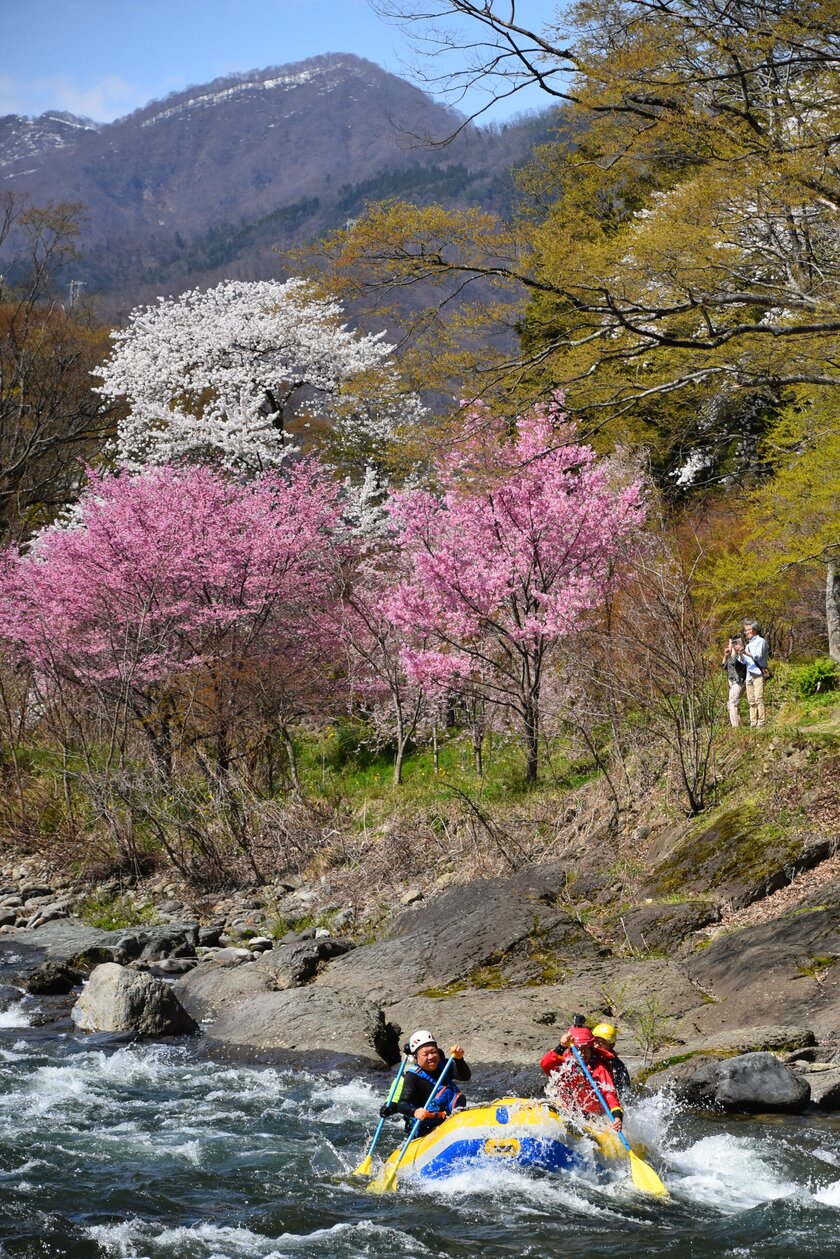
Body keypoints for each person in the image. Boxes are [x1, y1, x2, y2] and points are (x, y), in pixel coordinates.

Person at [380, 1029, 471, 1137]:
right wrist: (415, 1111)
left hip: (449, 1120)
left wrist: (459, 1059)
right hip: (425, 1131)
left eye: (433, 1052)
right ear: (416, 1057)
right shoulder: (412, 1077)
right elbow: (402, 1104)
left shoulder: (444, 1065)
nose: (431, 1057)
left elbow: (465, 1076)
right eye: (425, 1054)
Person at [540, 1021, 624, 1130]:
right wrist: (560, 1047)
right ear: (571, 1050)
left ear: (591, 1049)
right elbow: (546, 1065)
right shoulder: (566, 1060)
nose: (582, 1054)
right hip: (568, 1108)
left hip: (592, 1114)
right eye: (579, 1050)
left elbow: (608, 1093)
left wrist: (617, 1116)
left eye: (586, 1050)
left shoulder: (599, 1068)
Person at [592, 1022, 632, 1096]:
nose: (596, 1045)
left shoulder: (617, 1066)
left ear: (611, 1046)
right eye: (595, 1041)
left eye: (602, 1043)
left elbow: (623, 1090)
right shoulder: (588, 1054)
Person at [742, 619, 769, 728]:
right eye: (745, 630)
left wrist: (745, 652)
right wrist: (740, 654)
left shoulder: (761, 641)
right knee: (751, 700)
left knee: (758, 698)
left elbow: (758, 656)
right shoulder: (748, 644)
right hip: (749, 674)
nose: (746, 632)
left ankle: (761, 722)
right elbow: (744, 661)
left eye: (748, 630)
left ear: (754, 630)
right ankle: (753, 722)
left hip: (758, 673)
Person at [722, 633, 748, 727]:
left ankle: (735, 727)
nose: (729, 645)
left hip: (739, 681)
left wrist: (737, 652)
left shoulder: (740, 655)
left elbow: (740, 665)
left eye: (730, 643)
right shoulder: (731, 656)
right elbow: (724, 667)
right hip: (732, 682)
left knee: (732, 703)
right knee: (731, 704)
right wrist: (725, 656)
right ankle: (739, 724)